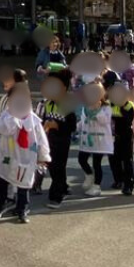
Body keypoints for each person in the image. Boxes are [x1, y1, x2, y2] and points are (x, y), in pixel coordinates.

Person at [0, 80, 46, 224]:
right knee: (1, 181)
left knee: (23, 185)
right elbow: (3, 129)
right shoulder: (6, 116)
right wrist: (13, 118)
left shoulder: (33, 120)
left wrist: (43, 155)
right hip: (8, 156)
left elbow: (41, 139)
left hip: (26, 157)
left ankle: (22, 209)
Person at [39, 70, 78, 207]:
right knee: (53, 166)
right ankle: (64, 187)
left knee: (58, 167)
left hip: (62, 140)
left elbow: (72, 126)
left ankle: (56, 196)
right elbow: (44, 120)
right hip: (50, 140)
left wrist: (57, 125)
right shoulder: (48, 103)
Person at [72, 76, 114, 196]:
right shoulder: (85, 107)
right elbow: (82, 121)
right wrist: (74, 129)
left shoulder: (106, 107)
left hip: (99, 140)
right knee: (82, 159)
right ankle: (89, 175)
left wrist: (97, 110)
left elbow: (105, 121)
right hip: (87, 140)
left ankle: (96, 186)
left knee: (97, 163)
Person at [108, 77, 134, 196]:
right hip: (113, 136)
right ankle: (118, 180)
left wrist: (121, 106)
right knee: (113, 159)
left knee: (127, 160)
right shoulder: (110, 104)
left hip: (126, 135)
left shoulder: (129, 106)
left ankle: (128, 185)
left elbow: (128, 121)